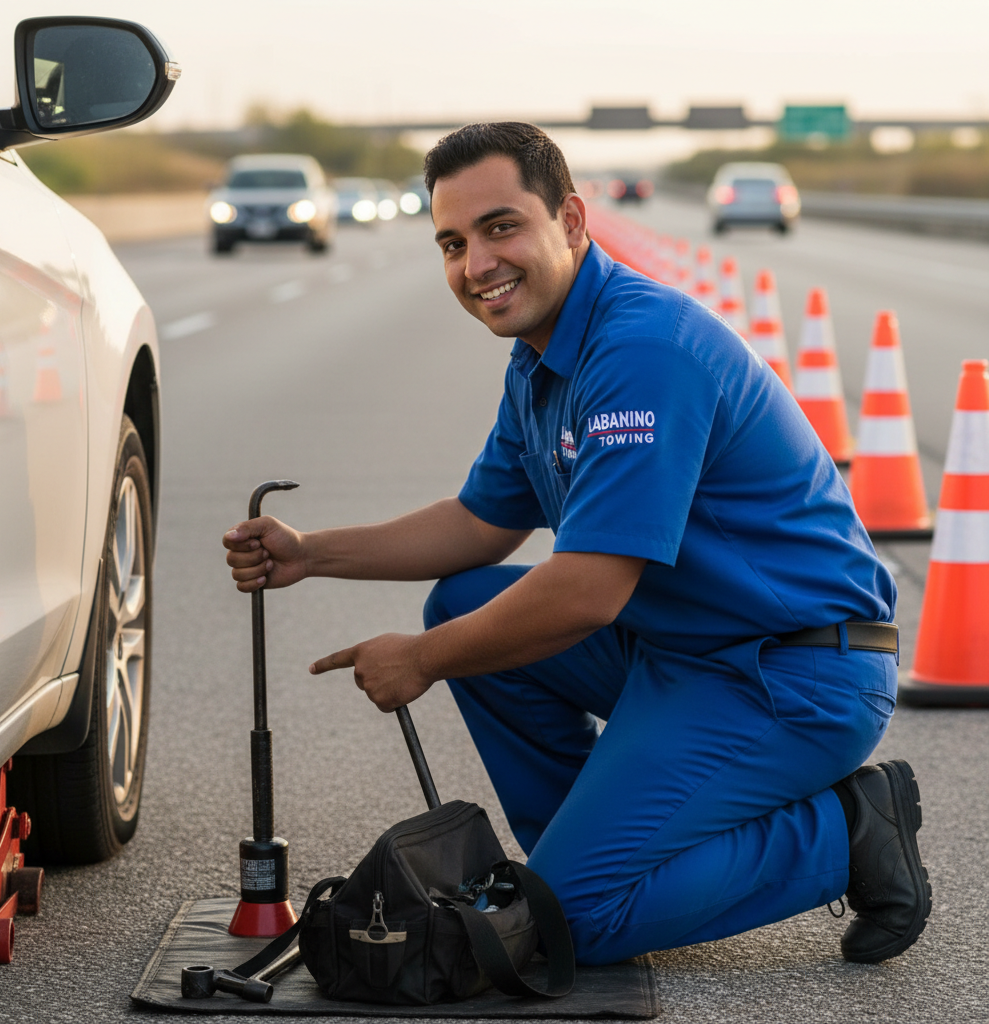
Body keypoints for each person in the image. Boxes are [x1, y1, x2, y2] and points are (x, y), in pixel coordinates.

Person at [223, 122, 931, 966]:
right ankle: (587, 862)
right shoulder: (543, 357)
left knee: (572, 922)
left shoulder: (641, 353)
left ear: (569, 220)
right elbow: (480, 523)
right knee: (464, 603)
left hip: (793, 672)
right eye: (453, 243)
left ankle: (849, 832)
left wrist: (420, 659)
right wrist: (311, 553)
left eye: (501, 228)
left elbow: (589, 592)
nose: (477, 264)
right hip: (683, 651)